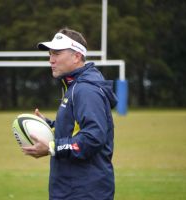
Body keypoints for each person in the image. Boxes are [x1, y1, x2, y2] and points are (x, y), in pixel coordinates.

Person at [22, 28, 117, 200]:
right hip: (73, 190)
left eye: (57, 53)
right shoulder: (75, 86)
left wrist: (52, 147)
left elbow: (93, 137)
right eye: (50, 54)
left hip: (84, 192)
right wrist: (50, 125)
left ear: (77, 56)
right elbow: (77, 130)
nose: (51, 60)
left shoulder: (85, 90)